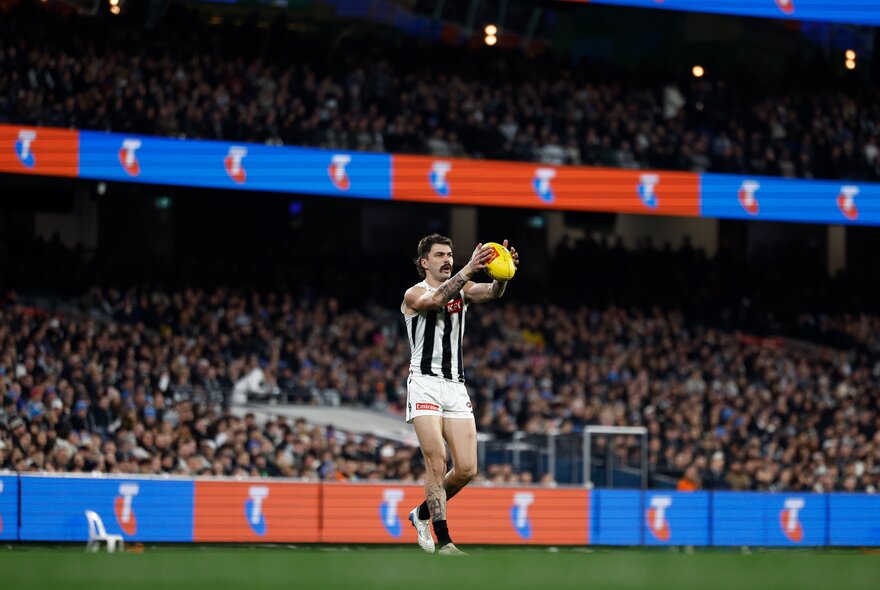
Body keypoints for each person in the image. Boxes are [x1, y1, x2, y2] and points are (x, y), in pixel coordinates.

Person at [401, 234, 519, 555]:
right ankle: (445, 541)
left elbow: (492, 293)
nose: (447, 259)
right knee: (437, 461)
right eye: (439, 255)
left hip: (455, 385)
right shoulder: (414, 294)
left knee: (467, 469)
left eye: (450, 254)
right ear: (425, 262)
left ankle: (421, 513)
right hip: (424, 382)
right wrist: (468, 269)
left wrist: (502, 274)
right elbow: (436, 300)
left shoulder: (463, 290)